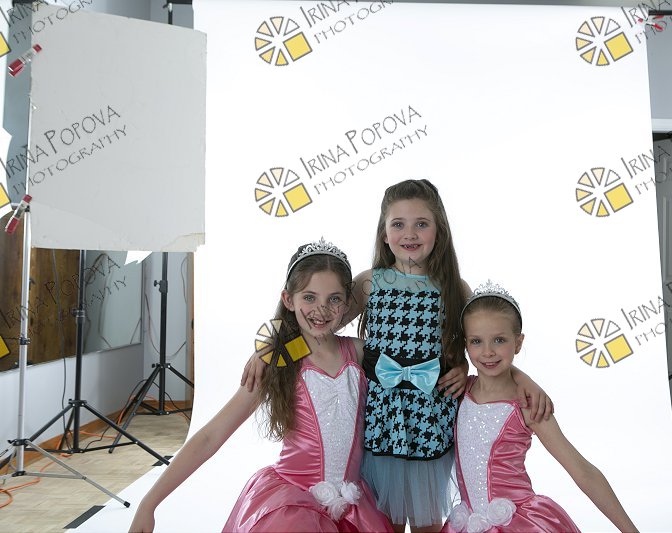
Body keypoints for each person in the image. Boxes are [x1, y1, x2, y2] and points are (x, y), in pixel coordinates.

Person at [241, 179, 553, 532]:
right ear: (384, 232)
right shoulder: (369, 282)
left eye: (422, 224)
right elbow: (320, 330)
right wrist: (272, 351)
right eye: (398, 224)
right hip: (381, 419)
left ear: (439, 230)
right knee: (382, 521)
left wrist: (481, 368)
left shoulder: (454, 287)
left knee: (426, 521)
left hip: (429, 418)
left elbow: (480, 344)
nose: (410, 234)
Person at [129, 239, 392, 533]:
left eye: (334, 299)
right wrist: (149, 503)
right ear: (288, 299)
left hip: (353, 509)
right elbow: (210, 437)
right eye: (309, 297)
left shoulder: (358, 352)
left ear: (346, 303)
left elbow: (379, 281)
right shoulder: (278, 362)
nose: (321, 309)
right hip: (292, 510)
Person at [442, 281, 637, 533]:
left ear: (518, 342)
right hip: (466, 524)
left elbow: (582, 471)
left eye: (499, 340)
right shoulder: (460, 392)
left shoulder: (527, 405)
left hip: (519, 524)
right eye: (477, 341)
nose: (488, 352)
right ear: (466, 344)